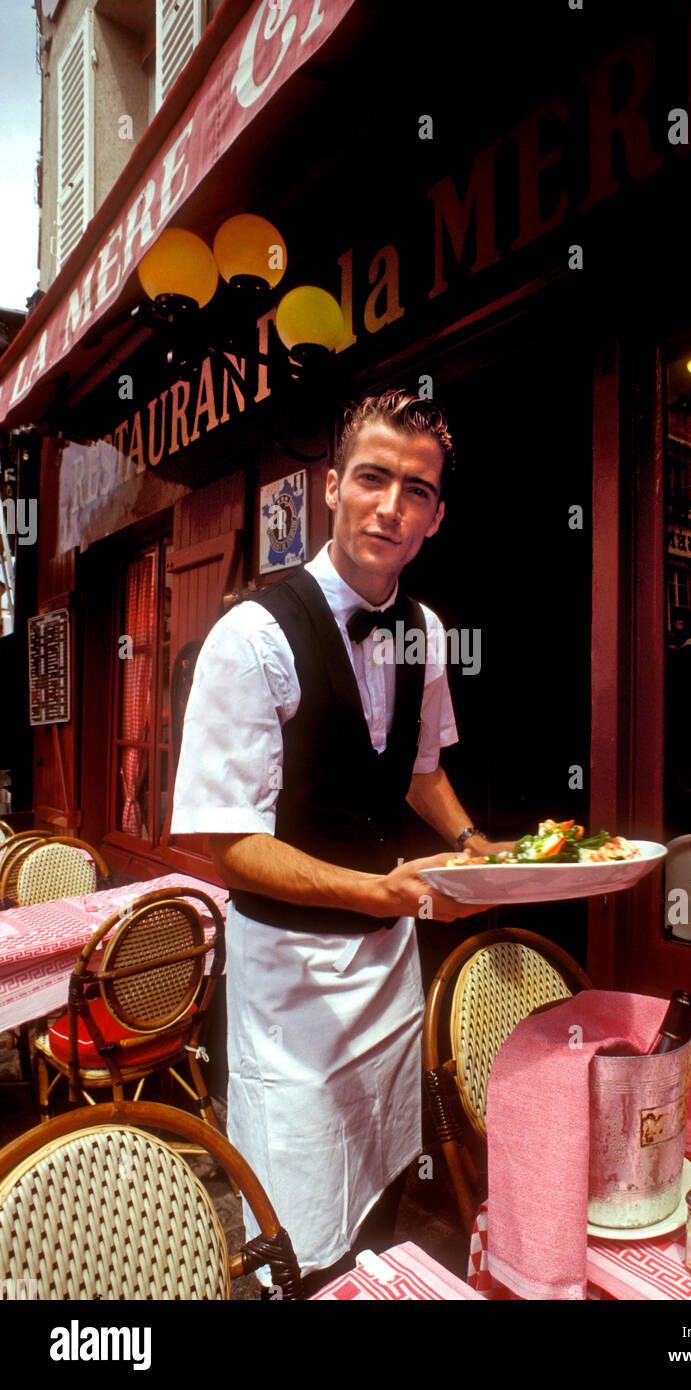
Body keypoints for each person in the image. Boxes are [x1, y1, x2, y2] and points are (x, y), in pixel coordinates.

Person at [171, 389, 505, 1293]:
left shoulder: (426, 631)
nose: (390, 505)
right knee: (299, 1224)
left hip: (387, 972)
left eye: (416, 489)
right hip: (288, 983)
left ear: (436, 514)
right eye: (371, 477)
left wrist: (478, 846)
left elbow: (418, 769)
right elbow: (229, 846)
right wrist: (385, 892)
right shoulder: (251, 636)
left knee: (386, 1184)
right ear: (331, 488)